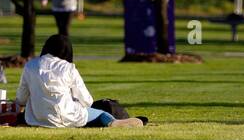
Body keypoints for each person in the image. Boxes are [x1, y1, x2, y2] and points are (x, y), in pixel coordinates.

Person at [16, 34, 146, 128]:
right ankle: (113, 122)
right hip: (64, 117)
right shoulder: (68, 67)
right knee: (101, 113)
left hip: (36, 119)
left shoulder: (30, 66)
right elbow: (87, 100)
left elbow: (21, 98)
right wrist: (76, 103)